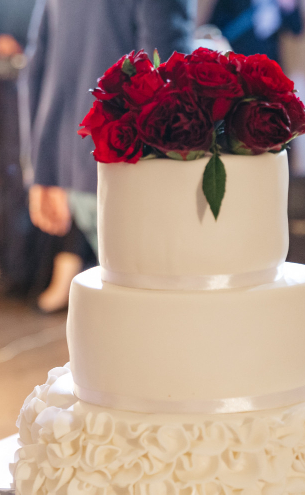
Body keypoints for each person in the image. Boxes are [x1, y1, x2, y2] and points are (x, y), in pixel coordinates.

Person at [20, 0, 195, 312]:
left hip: (80, 164)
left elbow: (37, 70)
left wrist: (42, 171)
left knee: (130, 306)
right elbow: (165, 69)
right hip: (135, 168)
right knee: (158, 307)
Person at [209, 0, 303, 64]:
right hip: (236, 61)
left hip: (267, 64)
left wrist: (289, 7)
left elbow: (297, 28)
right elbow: (213, 26)